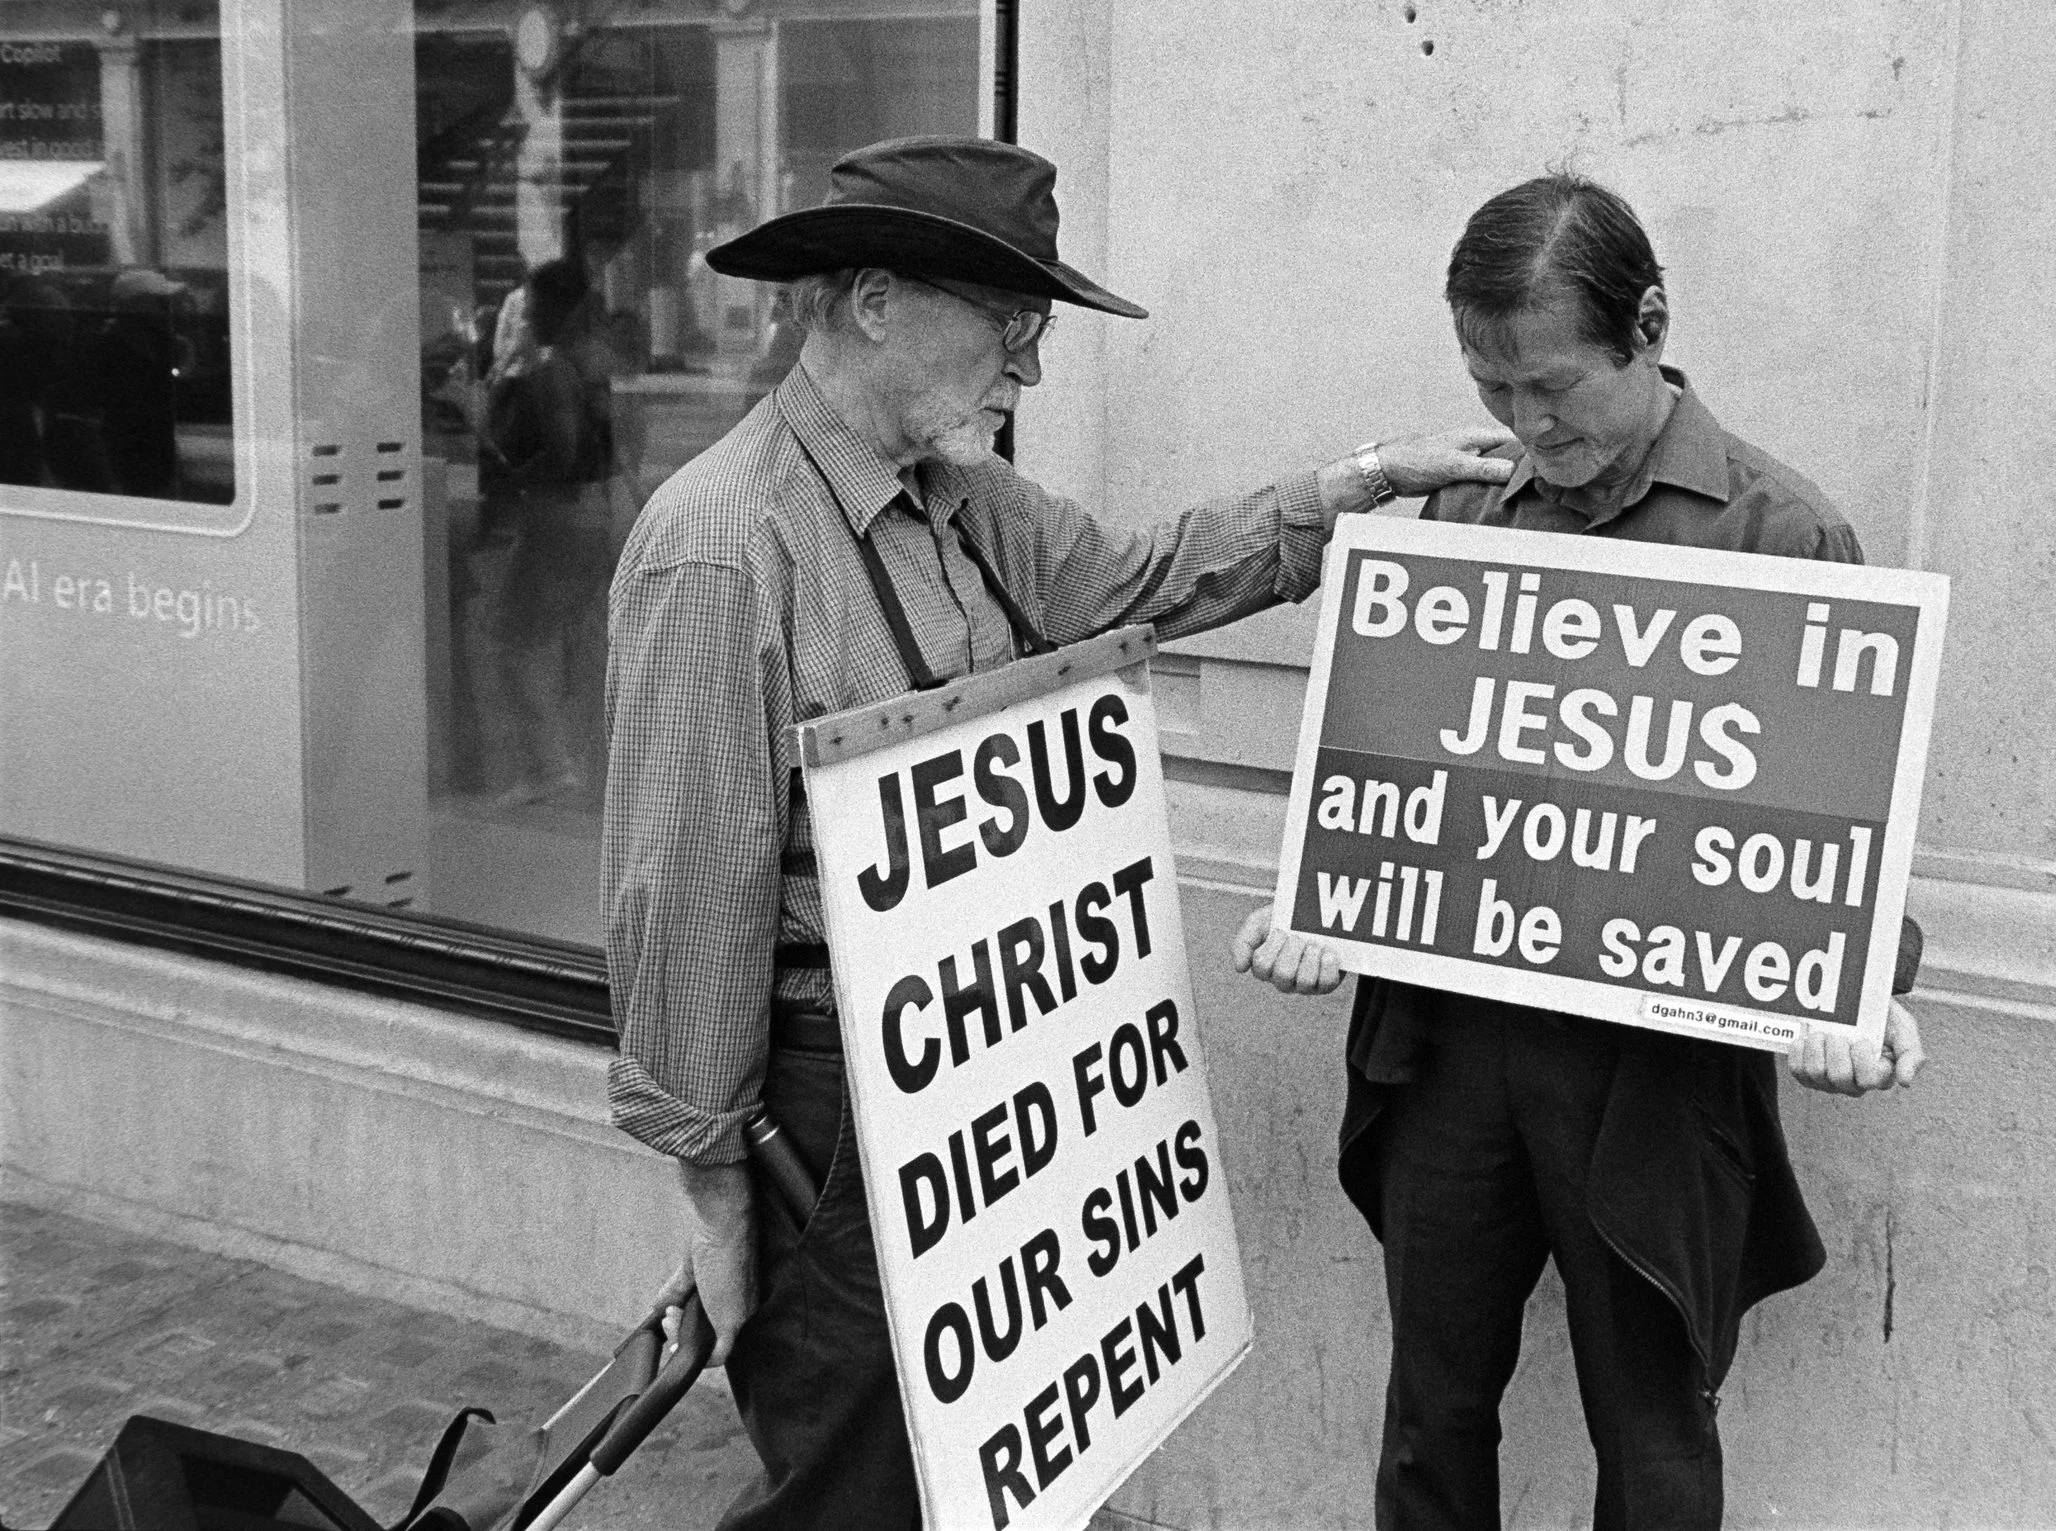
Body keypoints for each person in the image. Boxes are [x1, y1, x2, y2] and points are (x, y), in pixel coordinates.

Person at [599, 133, 1517, 1531]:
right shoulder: (723, 543)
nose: (1027, 372)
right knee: (859, 1479)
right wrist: (715, 1188)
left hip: (986, 1072)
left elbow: (1131, 578)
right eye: (1011, 328)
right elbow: (690, 898)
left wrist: (1351, 486)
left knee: (985, 1472)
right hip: (841, 1091)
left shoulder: (966, 500)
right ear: (874, 302)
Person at [1231, 171, 1929, 1531]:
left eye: (1551, 387)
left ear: (1648, 324)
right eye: (1494, 392)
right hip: (1447, 1050)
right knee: (1431, 1414)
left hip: (1655, 1073)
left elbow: (1841, 830)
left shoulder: (1784, 531)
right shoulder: (1467, 513)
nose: (1524, 426)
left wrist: (1860, 991)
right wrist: (1332, 897)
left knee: (1653, 1435)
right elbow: (1403, 774)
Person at [480, 258, 620, 805]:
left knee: (518, 637)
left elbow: (562, 453)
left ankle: (550, 764)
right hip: (595, 516)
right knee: (577, 643)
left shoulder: (556, 372)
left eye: (535, 305)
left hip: (557, 519)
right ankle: (581, 763)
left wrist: (514, 470)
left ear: (558, 309)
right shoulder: (598, 364)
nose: (528, 315)